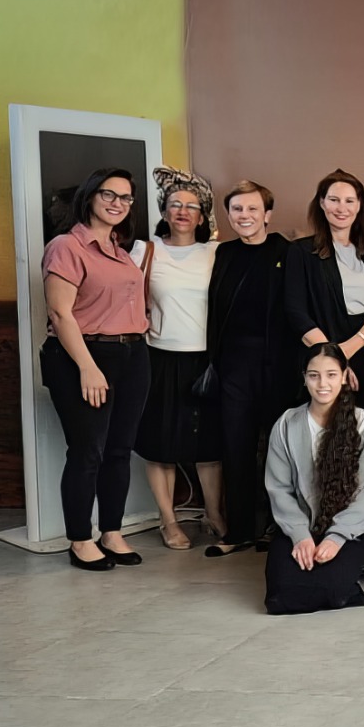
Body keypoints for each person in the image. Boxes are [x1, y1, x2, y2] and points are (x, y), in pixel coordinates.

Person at [39, 167, 152, 571]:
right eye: (109, 194)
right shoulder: (67, 246)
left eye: (126, 198)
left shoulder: (119, 250)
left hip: (133, 355)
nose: (117, 203)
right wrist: (87, 367)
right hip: (83, 356)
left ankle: (112, 532)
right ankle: (80, 539)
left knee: (119, 450)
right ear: (89, 196)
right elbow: (60, 313)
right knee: (88, 451)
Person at [134, 167, 224, 551]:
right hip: (159, 357)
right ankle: (168, 520)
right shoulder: (145, 250)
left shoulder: (215, 252)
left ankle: (214, 514)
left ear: (202, 216)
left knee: (210, 444)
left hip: (206, 358)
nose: (183, 211)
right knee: (160, 443)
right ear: (164, 211)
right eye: (175, 205)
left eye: (191, 206)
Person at [263, 343, 364, 615]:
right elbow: (279, 489)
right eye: (314, 375)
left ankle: (339, 584)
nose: (322, 384)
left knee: (333, 591)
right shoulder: (286, 424)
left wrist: (335, 538)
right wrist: (300, 536)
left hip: (348, 530)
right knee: (279, 598)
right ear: (304, 378)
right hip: (300, 524)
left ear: (344, 376)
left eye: (331, 375)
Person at [207, 180, 294, 557]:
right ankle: (239, 531)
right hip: (232, 365)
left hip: (279, 365)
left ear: (267, 215)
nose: (244, 216)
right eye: (237, 209)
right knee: (235, 446)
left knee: (279, 448)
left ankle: (277, 527)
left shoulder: (287, 252)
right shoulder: (222, 253)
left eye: (252, 209)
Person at [282, 170, 364, 419]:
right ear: (322, 203)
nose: (341, 208)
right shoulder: (301, 252)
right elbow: (295, 311)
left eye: (349, 201)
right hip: (320, 358)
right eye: (334, 200)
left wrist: (345, 351)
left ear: (359, 205)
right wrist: (332, 360)